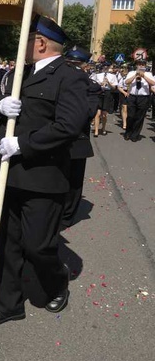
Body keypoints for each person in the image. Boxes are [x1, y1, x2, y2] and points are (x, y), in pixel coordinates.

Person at [0, 15, 89, 327]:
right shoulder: (17, 74)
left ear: (39, 42)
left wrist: (24, 144)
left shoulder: (70, 78)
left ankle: (57, 282)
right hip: (8, 172)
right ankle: (9, 303)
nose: (21, 45)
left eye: (26, 39)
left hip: (43, 176)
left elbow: (69, 126)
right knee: (7, 243)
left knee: (38, 245)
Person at [60, 46, 102, 229]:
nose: (74, 68)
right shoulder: (57, 81)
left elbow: (89, 112)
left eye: (77, 65)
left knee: (74, 182)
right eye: (70, 64)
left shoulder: (91, 87)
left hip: (77, 141)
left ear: (85, 66)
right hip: (54, 140)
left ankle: (66, 216)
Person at [124, 60, 155, 142]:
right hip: (132, 96)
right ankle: (128, 132)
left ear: (145, 65)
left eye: (142, 65)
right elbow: (126, 82)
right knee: (130, 116)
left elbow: (153, 83)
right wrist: (135, 75)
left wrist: (143, 76)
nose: (141, 66)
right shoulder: (131, 73)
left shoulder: (148, 74)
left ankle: (135, 134)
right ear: (136, 65)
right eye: (139, 65)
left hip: (144, 97)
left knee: (139, 117)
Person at [90, 64, 118, 136]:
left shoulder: (113, 76)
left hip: (107, 93)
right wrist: (100, 84)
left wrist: (108, 82)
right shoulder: (97, 75)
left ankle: (103, 128)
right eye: (104, 67)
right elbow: (93, 85)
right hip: (99, 93)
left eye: (107, 67)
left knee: (104, 114)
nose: (105, 68)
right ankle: (96, 130)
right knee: (97, 114)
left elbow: (114, 88)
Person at [117, 66, 129, 130]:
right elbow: (119, 87)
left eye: (126, 72)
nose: (125, 73)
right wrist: (124, 93)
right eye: (124, 72)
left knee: (129, 109)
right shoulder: (123, 78)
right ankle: (124, 122)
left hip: (131, 93)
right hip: (124, 92)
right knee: (124, 108)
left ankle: (129, 121)